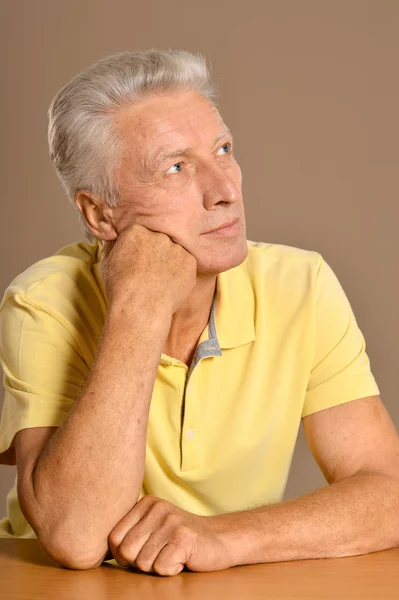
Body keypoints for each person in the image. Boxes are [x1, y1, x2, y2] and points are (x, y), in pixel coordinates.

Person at [0, 49, 398, 577]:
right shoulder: (42, 302)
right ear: (100, 214)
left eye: (223, 149)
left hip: (221, 586)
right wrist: (139, 305)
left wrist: (223, 537)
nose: (226, 191)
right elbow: (76, 537)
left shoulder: (302, 284)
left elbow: (389, 492)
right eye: (176, 167)